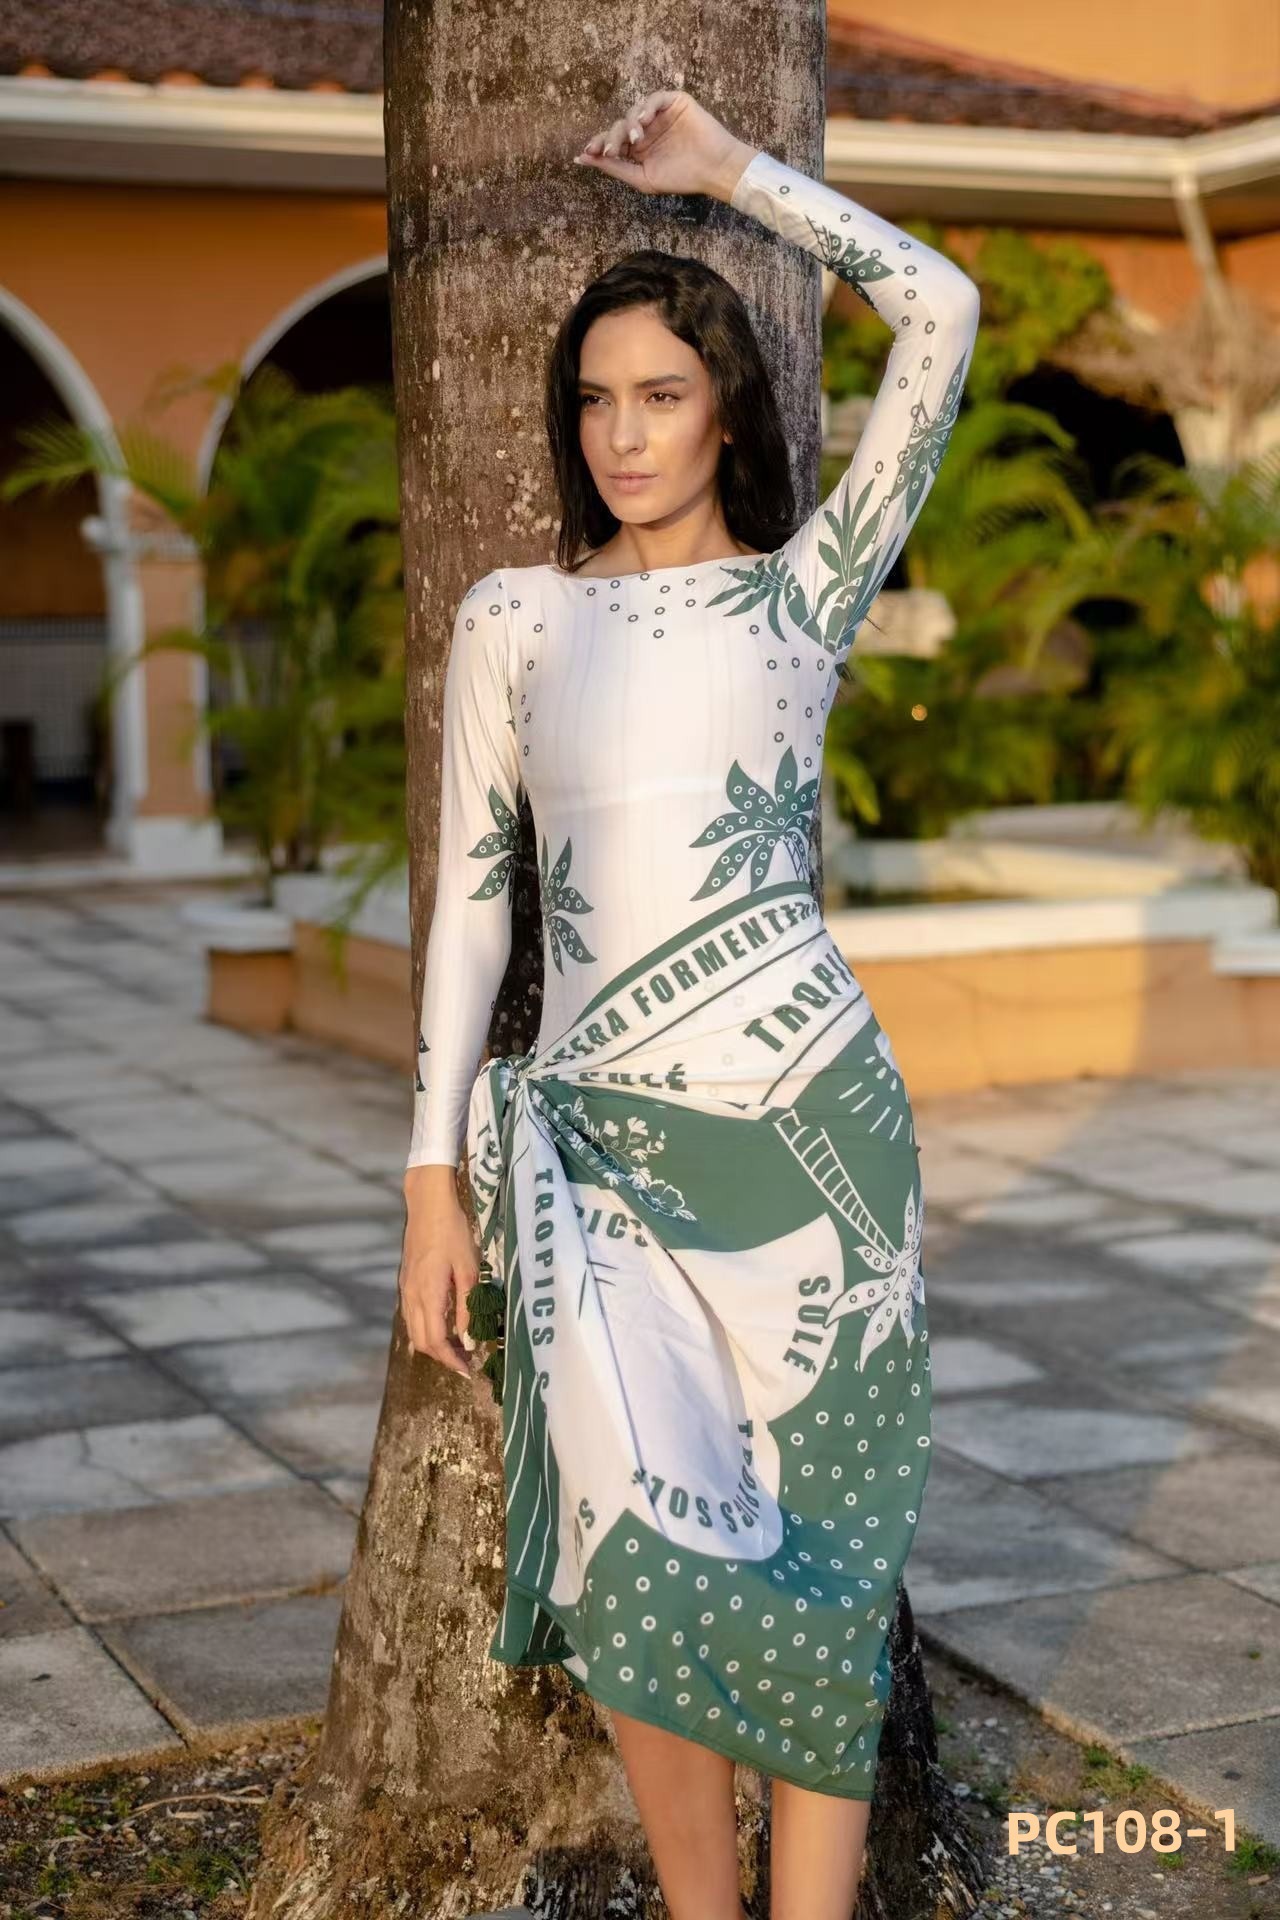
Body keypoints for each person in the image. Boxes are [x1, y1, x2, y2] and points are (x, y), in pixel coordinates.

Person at [399, 86, 980, 1920]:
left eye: (661, 394)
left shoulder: (803, 596)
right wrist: (430, 1176)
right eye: (596, 400)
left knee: (818, 1573)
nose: (625, 433)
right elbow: (474, 904)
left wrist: (733, 174)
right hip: (601, 1164)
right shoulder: (516, 620)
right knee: (643, 1565)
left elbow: (943, 310)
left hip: (817, 1143)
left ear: (727, 404)